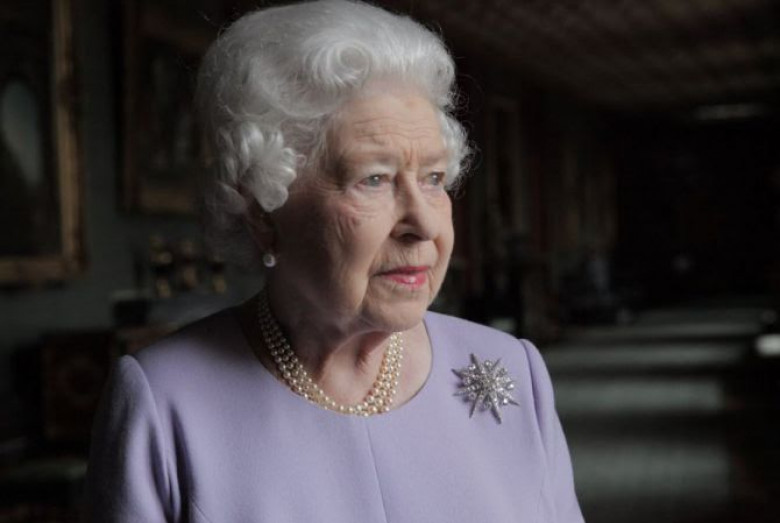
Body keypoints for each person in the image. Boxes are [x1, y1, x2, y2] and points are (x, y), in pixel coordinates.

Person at [86, 1, 584, 521]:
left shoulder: (513, 370)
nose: (423, 223)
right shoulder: (163, 401)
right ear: (262, 212)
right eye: (374, 179)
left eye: (434, 178)